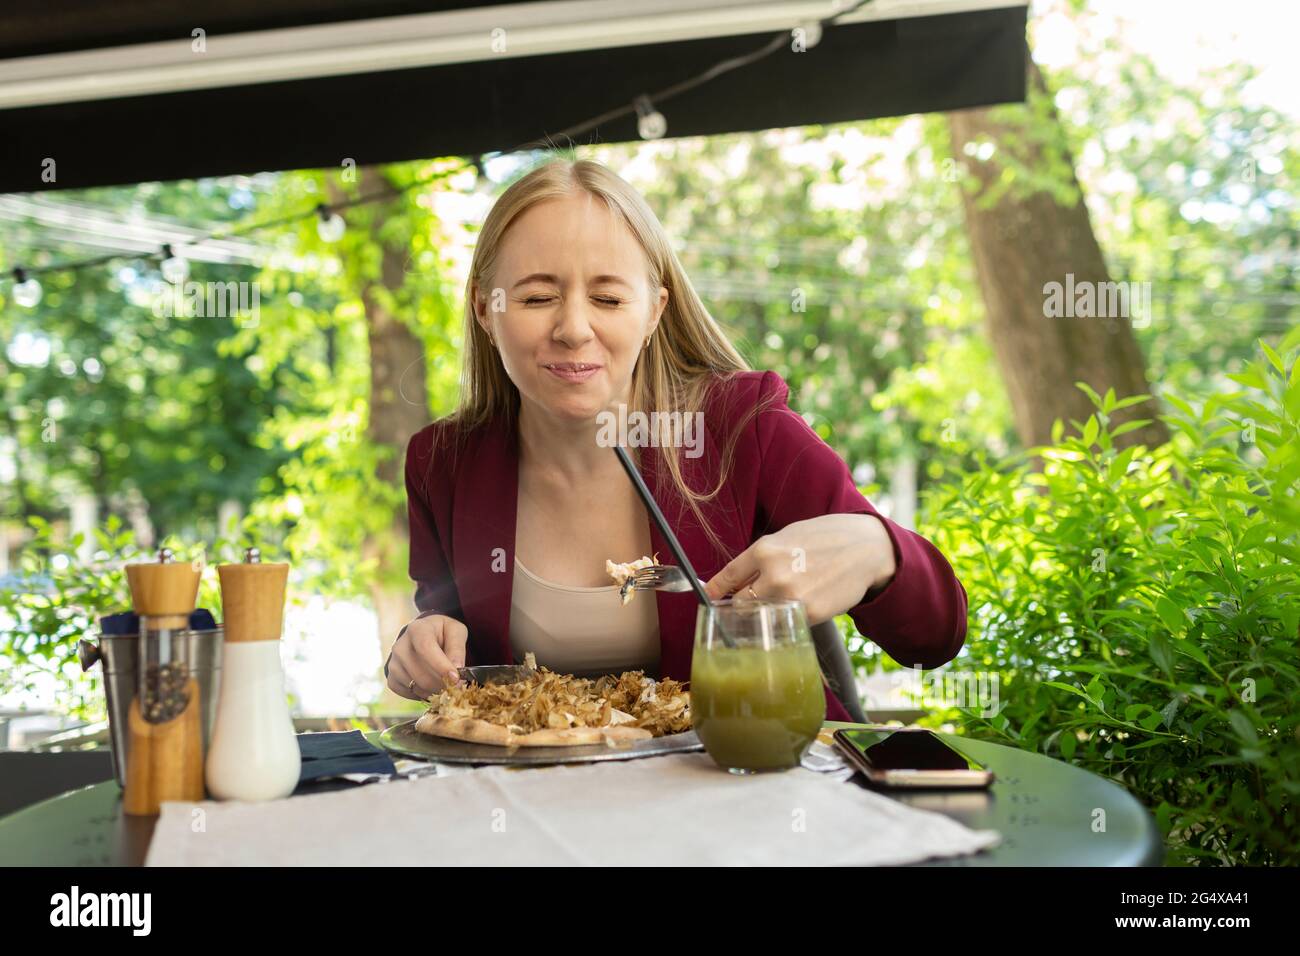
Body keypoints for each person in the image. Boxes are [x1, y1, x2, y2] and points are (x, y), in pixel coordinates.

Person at [385, 157, 967, 722]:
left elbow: (936, 638)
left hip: (743, 794)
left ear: (654, 311)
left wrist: (878, 551)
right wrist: (419, 646)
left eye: (609, 299)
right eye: (537, 298)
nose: (573, 330)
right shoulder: (442, 466)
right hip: (529, 808)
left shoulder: (744, 428)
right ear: (485, 308)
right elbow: (447, 639)